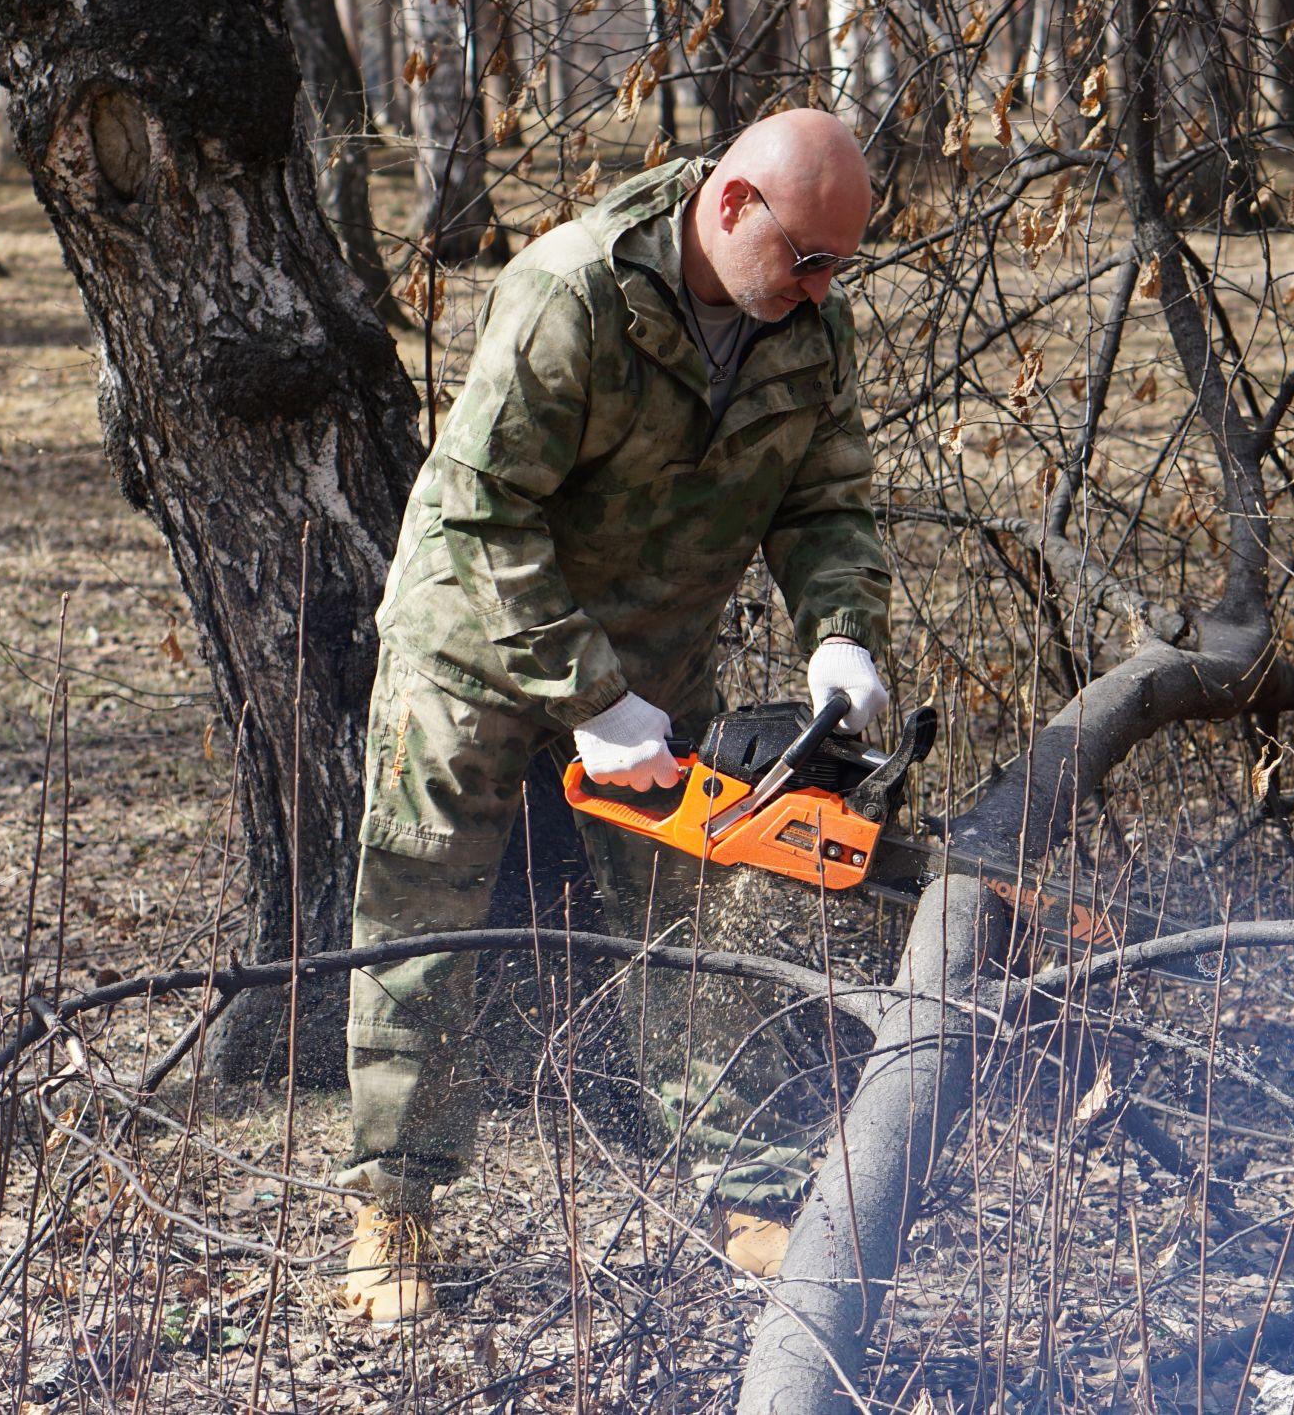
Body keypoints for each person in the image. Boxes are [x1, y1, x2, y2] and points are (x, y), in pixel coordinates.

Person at [333, 108, 893, 1325]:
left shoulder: (807, 326)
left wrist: (841, 634)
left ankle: (746, 1199)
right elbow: (480, 516)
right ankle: (393, 1213)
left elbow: (827, 501)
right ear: (733, 206)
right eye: (806, 258)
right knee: (423, 907)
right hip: (476, 638)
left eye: (838, 266)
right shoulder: (569, 294)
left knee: (682, 918)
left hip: (655, 652)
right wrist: (589, 698)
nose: (820, 288)